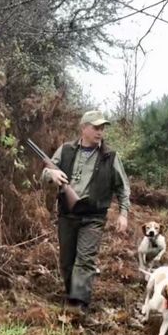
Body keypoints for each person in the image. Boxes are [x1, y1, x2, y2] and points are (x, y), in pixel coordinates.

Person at [41, 110, 130, 314]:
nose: (100, 132)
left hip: (94, 216)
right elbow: (45, 173)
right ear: (84, 128)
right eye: (96, 127)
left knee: (85, 259)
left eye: (102, 128)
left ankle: (78, 304)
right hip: (67, 214)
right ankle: (72, 294)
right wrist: (51, 174)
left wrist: (123, 214)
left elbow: (123, 187)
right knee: (66, 261)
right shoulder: (66, 150)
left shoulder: (110, 156)